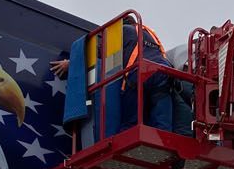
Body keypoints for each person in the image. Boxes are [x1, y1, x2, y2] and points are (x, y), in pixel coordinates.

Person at [51, 17, 192, 136]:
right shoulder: (149, 32)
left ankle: (129, 139)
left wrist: (71, 63)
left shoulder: (123, 31)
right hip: (163, 72)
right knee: (162, 116)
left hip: (139, 73)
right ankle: (163, 141)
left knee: (131, 119)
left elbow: (100, 53)